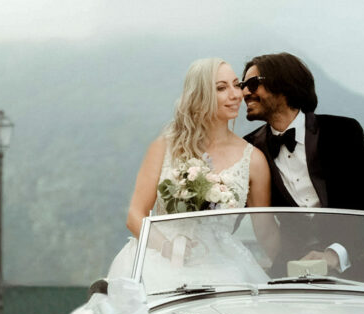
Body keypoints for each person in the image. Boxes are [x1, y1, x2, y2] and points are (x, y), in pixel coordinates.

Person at [241, 52, 364, 283]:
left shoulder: (343, 133)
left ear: (284, 84)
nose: (244, 92)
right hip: (296, 275)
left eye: (251, 84)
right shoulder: (249, 149)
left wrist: (333, 256)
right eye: (242, 85)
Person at [107, 58, 273, 285]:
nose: (236, 95)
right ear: (200, 95)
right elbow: (135, 215)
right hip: (158, 258)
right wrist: (168, 248)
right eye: (221, 88)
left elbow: (265, 231)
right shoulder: (165, 147)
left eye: (237, 84)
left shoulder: (254, 160)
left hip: (220, 264)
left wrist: (301, 258)